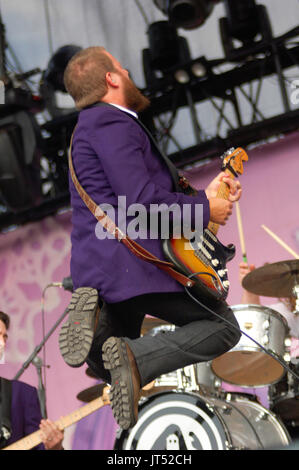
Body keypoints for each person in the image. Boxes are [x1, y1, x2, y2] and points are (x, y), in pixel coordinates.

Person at [59, 46, 242, 431]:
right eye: (121, 67)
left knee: (111, 364)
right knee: (223, 327)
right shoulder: (114, 122)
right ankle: (121, 343)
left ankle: (100, 321)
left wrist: (204, 197)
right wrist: (206, 212)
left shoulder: (85, 131)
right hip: (134, 263)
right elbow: (140, 202)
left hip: (100, 268)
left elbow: (133, 196)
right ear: (111, 78)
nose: (127, 70)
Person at [0, 311, 64, 450]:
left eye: (4, 337)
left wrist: (55, 448)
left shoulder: (23, 394)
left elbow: (39, 447)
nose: (2, 342)